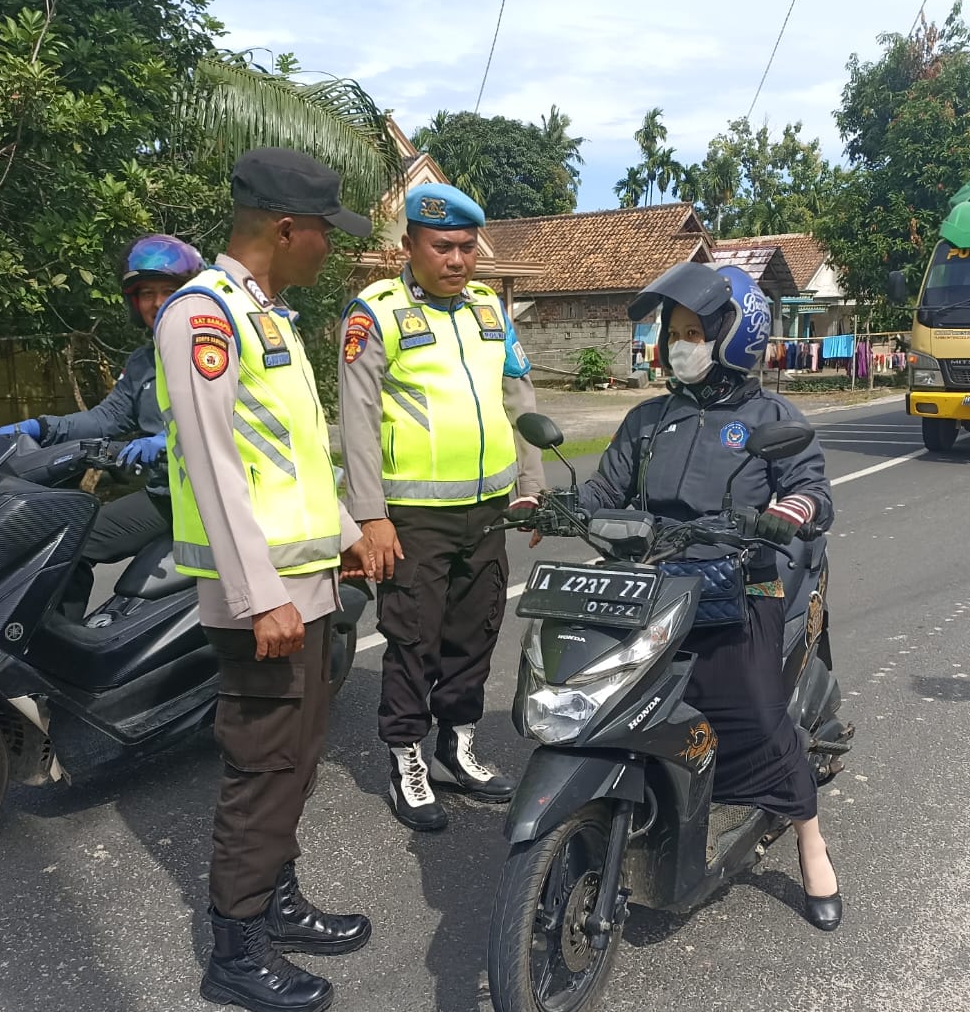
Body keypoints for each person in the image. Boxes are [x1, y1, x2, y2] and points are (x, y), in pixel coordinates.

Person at [154, 147, 379, 1012]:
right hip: (263, 601)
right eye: (325, 230)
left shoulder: (268, 317)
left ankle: (276, 899)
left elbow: (295, 460)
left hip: (303, 586)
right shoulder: (203, 317)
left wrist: (347, 536)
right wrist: (260, 596)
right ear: (287, 229)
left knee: (296, 758)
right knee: (263, 766)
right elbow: (213, 467)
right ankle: (237, 946)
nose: (331, 246)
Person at [569, 261, 845, 931]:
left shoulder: (770, 416)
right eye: (674, 333)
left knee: (756, 716)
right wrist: (557, 505)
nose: (678, 345)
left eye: (693, 333)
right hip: (652, 584)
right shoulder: (649, 418)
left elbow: (812, 489)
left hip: (740, 585)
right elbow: (603, 490)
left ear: (734, 337)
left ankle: (808, 835)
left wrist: (791, 509)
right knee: (597, 693)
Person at [339, 183, 545, 832]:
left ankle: (456, 746)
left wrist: (531, 483)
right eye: (441, 246)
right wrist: (369, 514)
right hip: (412, 515)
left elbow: (519, 395)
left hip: (488, 509)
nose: (457, 259)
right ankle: (407, 757)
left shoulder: (488, 309)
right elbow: (357, 420)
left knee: (475, 631)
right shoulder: (377, 313)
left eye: (466, 247)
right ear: (410, 245)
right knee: (413, 638)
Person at [0, 234, 203, 619]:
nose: (157, 303)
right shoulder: (143, 363)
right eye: (147, 293)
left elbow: (228, 417)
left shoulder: (213, 350)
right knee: (69, 543)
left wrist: (166, 440)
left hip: (209, 502)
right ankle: (62, 641)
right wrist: (39, 428)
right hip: (165, 497)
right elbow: (106, 419)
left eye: (169, 291)